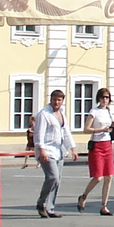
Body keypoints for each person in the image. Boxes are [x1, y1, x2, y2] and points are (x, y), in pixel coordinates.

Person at [31, 90, 77, 218]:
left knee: (57, 181)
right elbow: (39, 133)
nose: (56, 102)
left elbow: (66, 131)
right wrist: (41, 149)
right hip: (47, 150)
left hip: (59, 150)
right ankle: (41, 203)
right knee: (53, 177)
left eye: (59, 100)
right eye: (54, 100)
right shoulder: (44, 114)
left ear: (62, 101)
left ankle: (50, 208)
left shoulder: (62, 114)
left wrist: (72, 148)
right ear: (51, 99)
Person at [76, 88, 114, 215]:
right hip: (97, 145)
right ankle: (83, 196)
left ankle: (104, 206)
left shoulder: (109, 112)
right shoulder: (94, 111)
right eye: (103, 97)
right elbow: (86, 129)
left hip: (107, 145)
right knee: (98, 177)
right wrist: (101, 130)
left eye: (107, 97)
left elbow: (111, 126)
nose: (105, 100)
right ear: (98, 98)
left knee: (109, 176)